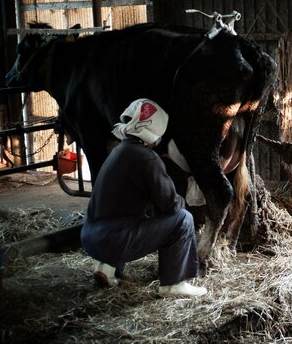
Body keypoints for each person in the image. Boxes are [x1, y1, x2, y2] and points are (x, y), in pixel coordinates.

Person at [80, 98, 207, 298]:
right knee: (183, 219)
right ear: (155, 132)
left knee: (129, 216)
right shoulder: (147, 157)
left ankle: (107, 267)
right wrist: (184, 200)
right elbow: (170, 205)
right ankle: (174, 284)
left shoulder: (118, 151)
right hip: (113, 240)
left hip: (90, 237)